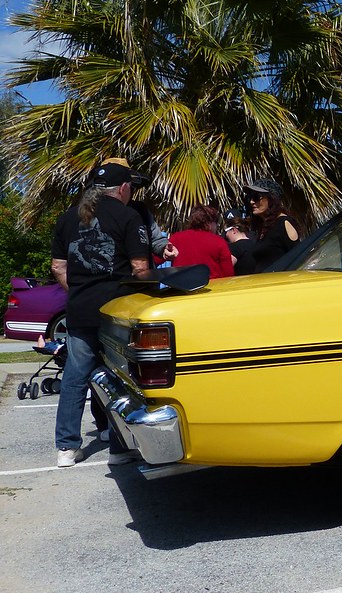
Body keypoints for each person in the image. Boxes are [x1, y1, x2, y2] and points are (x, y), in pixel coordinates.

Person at [51, 161, 151, 467]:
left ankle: (67, 447)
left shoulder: (67, 217)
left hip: (80, 309)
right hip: (116, 312)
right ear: (124, 188)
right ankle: (119, 447)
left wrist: (80, 291)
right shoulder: (128, 215)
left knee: (75, 376)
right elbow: (140, 268)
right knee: (118, 378)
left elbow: (58, 267)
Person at [245, 179, 300, 272]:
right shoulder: (262, 227)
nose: (251, 202)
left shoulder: (284, 222)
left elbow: (298, 257)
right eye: (250, 197)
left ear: (271, 199)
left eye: (256, 197)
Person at [169, 205, 235, 279]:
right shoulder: (219, 242)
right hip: (211, 284)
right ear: (209, 223)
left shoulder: (176, 238)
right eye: (216, 223)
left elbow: (159, 257)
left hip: (180, 284)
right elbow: (228, 273)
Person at [224, 207, 256, 275]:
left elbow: (226, 270)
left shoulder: (234, 248)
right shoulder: (255, 243)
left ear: (234, 230)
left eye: (226, 231)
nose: (226, 235)